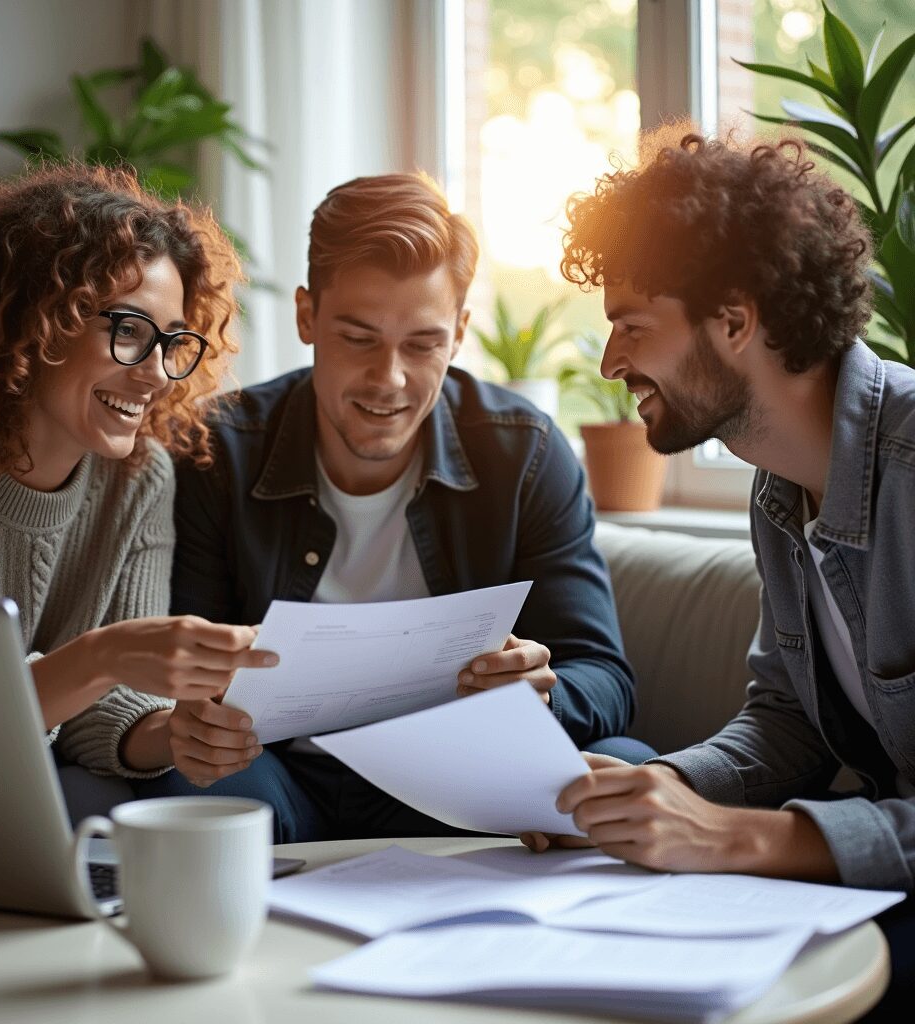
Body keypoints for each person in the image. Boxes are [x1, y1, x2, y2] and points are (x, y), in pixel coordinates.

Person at [522, 127, 914, 1015]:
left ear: (735, 319)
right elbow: (789, 720)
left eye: (632, 324)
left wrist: (740, 839)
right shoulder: (779, 493)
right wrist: (664, 784)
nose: (612, 361)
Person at [160, 171, 647, 843]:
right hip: (274, 772)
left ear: (459, 332)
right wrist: (199, 720)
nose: (389, 379)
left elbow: (606, 677)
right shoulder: (220, 451)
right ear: (307, 316)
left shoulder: (525, 454)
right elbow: (180, 669)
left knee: (629, 772)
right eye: (359, 338)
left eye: (423, 344)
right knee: (198, 793)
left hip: (455, 774)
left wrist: (543, 689)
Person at [0, 163, 276, 797]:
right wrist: (102, 656)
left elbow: (108, 709)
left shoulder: (139, 478)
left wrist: (174, 733)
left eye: (173, 342)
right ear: (31, 323)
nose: (157, 375)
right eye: (129, 331)